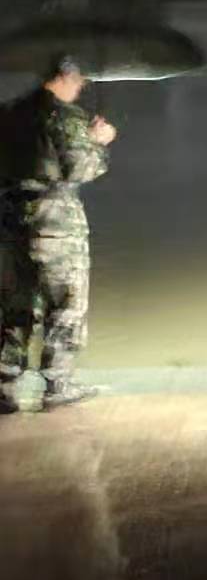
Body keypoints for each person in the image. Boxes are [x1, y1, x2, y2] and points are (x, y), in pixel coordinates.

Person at [0, 56, 117, 414]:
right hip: (56, 224)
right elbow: (79, 168)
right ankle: (58, 383)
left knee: (15, 307)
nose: (82, 87)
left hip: (10, 222)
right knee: (66, 304)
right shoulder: (66, 117)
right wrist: (98, 141)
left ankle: (4, 386)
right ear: (65, 75)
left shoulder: (10, 113)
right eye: (80, 80)